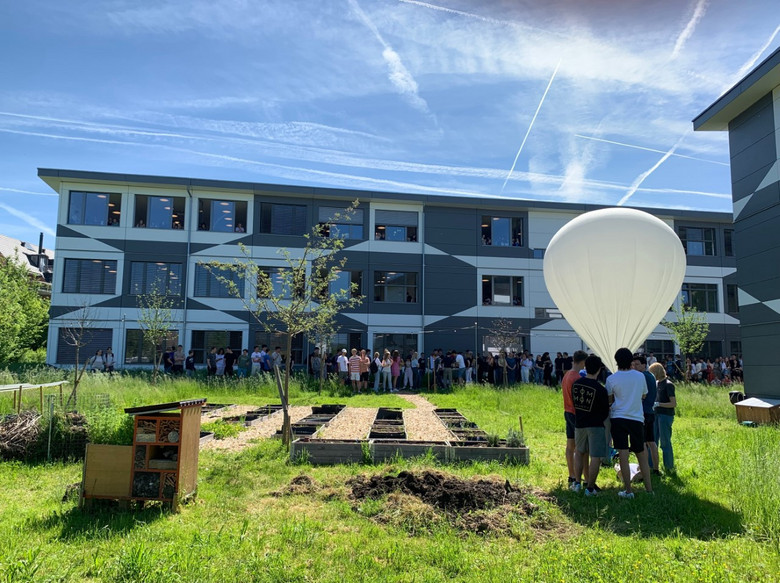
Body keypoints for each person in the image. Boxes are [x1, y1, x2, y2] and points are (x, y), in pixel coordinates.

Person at [607, 347, 653, 498]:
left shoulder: (611, 379)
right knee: (641, 454)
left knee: (623, 454)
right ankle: (649, 490)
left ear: (616, 361)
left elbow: (609, 399)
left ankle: (628, 490)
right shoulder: (640, 377)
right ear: (631, 361)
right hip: (636, 418)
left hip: (618, 418)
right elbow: (644, 395)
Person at [572, 355, 610, 496]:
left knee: (579, 452)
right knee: (595, 456)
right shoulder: (600, 389)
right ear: (599, 369)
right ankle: (590, 488)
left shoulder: (576, 384)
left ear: (585, 367)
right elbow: (605, 411)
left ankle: (576, 483)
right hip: (595, 425)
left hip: (579, 423)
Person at [562, 350, 588, 490]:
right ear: (583, 362)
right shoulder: (577, 378)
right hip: (576, 413)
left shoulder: (567, 375)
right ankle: (581, 476)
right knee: (580, 448)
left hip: (567, 411)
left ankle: (571, 474)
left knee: (570, 444)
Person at [632, 353, 659, 474]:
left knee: (642, 443)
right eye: (633, 365)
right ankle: (656, 468)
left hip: (642, 413)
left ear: (644, 365)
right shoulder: (652, 376)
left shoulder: (641, 376)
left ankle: (643, 467)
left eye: (637, 364)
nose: (635, 367)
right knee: (651, 442)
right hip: (650, 412)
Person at [650, 362, 676, 474]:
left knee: (665, 442)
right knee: (653, 441)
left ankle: (669, 466)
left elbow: (673, 403)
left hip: (665, 415)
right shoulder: (656, 384)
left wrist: (659, 404)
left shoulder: (668, 384)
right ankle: (651, 466)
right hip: (655, 415)